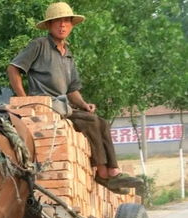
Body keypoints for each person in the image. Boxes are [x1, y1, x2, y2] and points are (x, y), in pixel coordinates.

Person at [7, 2, 143, 193]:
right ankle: (104, 173)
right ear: (49, 25)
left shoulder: (68, 55)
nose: (62, 25)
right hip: (44, 106)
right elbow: (13, 68)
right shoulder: (39, 45)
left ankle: (113, 171)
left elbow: (72, 90)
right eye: (57, 22)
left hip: (62, 106)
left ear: (71, 25)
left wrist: (84, 104)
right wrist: (23, 100)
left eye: (66, 21)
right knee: (91, 122)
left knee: (101, 121)